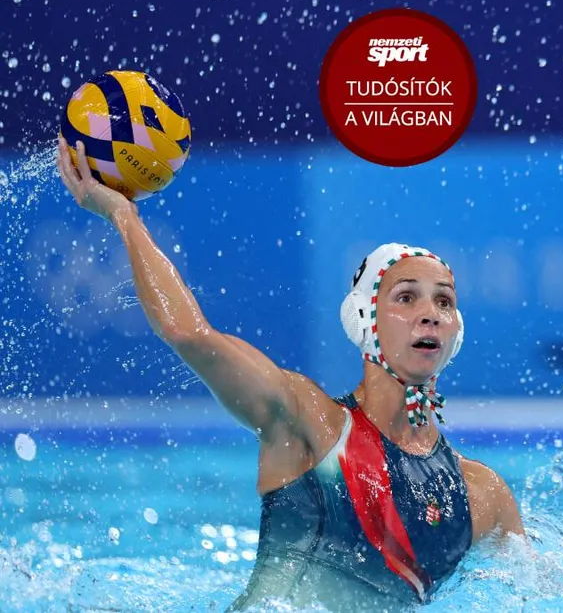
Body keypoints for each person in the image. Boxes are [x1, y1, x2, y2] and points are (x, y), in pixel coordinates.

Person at [55, 135, 524, 611]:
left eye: (444, 301)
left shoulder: (483, 494)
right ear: (363, 319)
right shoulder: (308, 422)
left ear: (456, 331)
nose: (430, 313)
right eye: (406, 297)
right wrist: (124, 216)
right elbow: (187, 332)